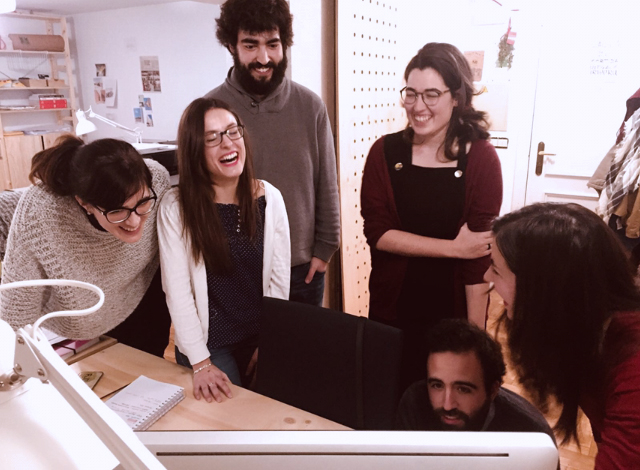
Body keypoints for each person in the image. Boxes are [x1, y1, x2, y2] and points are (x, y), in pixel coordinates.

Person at [360, 42, 503, 389]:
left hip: (450, 316)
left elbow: (476, 265)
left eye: (431, 94)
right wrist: (454, 248)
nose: (418, 106)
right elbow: (379, 234)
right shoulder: (384, 152)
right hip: (391, 311)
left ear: (456, 97)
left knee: (442, 411)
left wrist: (474, 340)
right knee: (386, 401)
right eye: (411, 93)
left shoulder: (481, 159)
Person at [486, 203, 640, 469]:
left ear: (544, 289)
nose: (486, 276)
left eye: (496, 270)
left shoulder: (633, 373)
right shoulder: (588, 332)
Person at [206, 0, 340, 307]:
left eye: (273, 44)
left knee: (298, 355)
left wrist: (326, 248)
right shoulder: (209, 110)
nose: (263, 57)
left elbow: (326, 184)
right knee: (242, 355)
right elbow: (199, 190)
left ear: (285, 44)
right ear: (231, 45)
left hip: (301, 269)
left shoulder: (310, 106)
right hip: (233, 268)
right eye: (250, 45)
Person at [157, 98, 290, 403]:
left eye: (232, 131)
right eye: (212, 138)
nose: (227, 143)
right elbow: (177, 291)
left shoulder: (270, 198)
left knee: (272, 414)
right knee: (229, 418)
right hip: (209, 343)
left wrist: (270, 343)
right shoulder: (176, 208)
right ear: (194, 151)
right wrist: (201, 363)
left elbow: (279, 281)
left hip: (260, 334)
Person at [0, 135, 171, 357]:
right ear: (84, 202)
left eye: (143, 203)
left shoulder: (156, 178)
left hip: (144, 300)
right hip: (76, 327)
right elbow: (16, 310)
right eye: (117, 211)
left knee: (148, 370)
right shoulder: (40, 212)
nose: (135, 221)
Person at [395, 319, 556, 444]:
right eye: (437, 385)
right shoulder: (414, 403)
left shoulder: (530, 434)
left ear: (493, 390)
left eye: (463, 389)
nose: (447, 405)